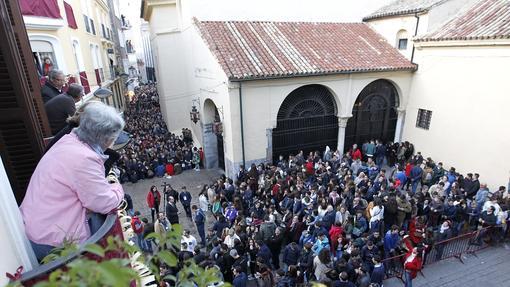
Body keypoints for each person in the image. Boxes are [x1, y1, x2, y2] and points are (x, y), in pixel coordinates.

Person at [20, 101, 125, 261]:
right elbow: (104, 202)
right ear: (104, 138)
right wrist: (117, 188)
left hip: (38, 228)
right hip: (54, 241)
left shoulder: (69, 140)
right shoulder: (85, 158)